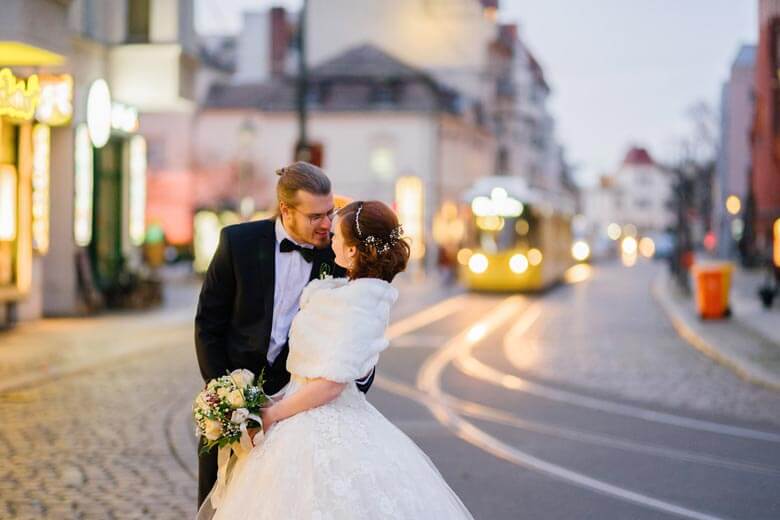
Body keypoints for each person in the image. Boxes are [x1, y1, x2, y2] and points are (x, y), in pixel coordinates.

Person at [198, 200, 473, 519]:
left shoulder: (362, 301)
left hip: (322, 423)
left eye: (338, 235)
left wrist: (272, 414)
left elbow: (330, 384)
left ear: (354, 250)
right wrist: (264, 401)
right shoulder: (344, 291)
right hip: (300, 412)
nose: (331, 239)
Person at [194, 162, 375, 507]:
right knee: (219, 504)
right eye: (315, 216)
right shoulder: (238, 243)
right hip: (233, 405)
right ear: (285, 210)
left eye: (330, 212)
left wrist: (359, 373)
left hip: (298, 416)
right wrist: (225, 398)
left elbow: (354, 336)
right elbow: (208, 325)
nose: (326, 224)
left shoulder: (339, 256)